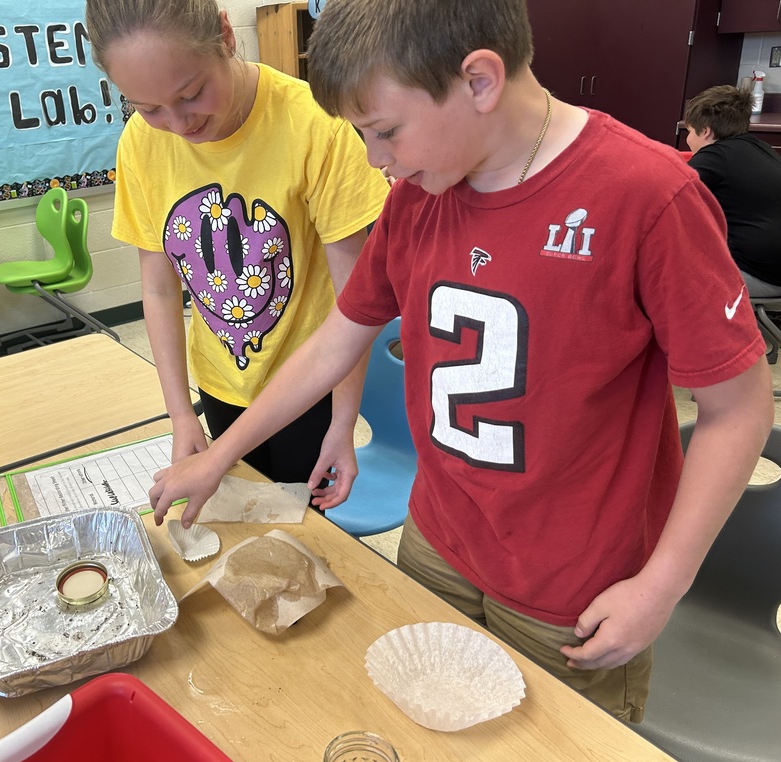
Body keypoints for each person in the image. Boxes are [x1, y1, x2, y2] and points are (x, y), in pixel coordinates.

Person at [148, 0, 776, 723]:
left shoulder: (650, 197)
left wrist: (662, 584)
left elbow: (739, 410)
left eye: (385, 132)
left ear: (479, 80)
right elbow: (335, 339)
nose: (375, 159)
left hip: (573, 584)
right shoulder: (419, 197)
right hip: (439, 541)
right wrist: (220, 453)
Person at [85, 0, 391, 509]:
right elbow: (160, 288)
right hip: (222, 379)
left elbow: (352, 300)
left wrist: (342, 422)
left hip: (309, 387)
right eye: (148, 107)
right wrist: (181, 413)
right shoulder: (141, 144)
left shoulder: (316, 125)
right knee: (241, 519)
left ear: (226, 35)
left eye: (192, 94)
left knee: (302, 533)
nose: (179, 124)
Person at [684, 84, 781, 297]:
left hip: (760, 275)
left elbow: (666, 196)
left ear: (706, 131)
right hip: (774, 267)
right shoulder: (760, 148)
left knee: (661, 270)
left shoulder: (713, 157)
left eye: (689, 131)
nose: (688, 139)